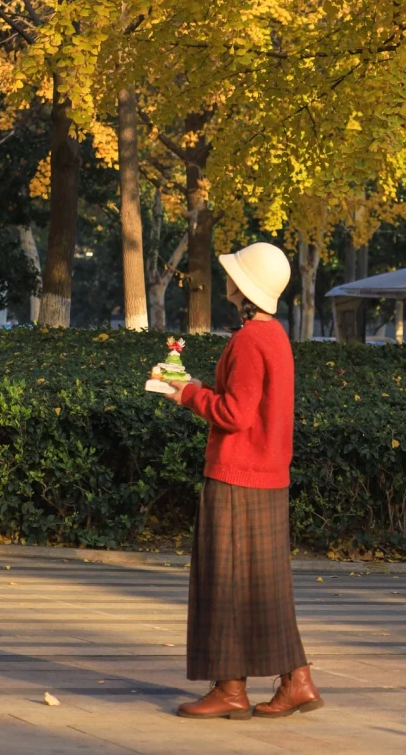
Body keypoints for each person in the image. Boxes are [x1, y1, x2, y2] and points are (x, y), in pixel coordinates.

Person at [153, 240, 323, 721]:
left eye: (234, 272)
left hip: (236, 475)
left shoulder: (249, 341)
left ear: (244, 287)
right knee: (262, 584)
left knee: (222, 580)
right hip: (268, 477)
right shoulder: (275, 337)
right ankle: (296, 680)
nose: (227, 277)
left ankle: (230, 690)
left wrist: (186, 394)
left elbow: (234, 412)